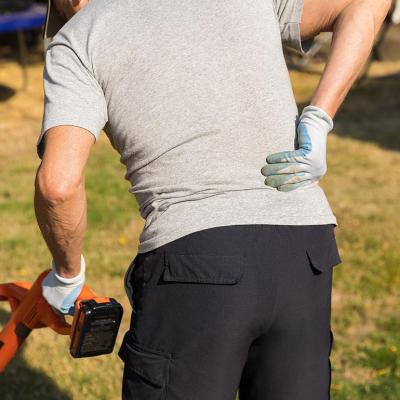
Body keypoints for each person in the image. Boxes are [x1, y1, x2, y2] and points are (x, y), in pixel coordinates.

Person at [34, 0, 391, 399]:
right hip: (303, 253)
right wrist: (319, 118)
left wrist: (66, 277)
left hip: (194, 264)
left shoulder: (80, 37)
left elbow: (58, 185)